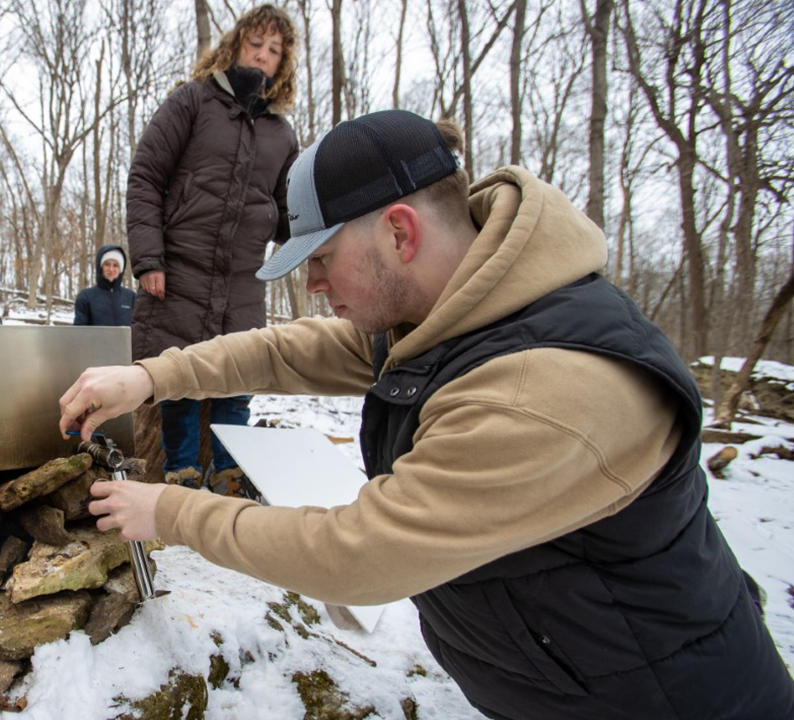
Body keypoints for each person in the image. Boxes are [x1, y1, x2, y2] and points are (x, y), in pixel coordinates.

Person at [60, 111, 794, 719]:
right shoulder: (458, 311)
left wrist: (171, 511)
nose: (312, 285)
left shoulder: (539, 391)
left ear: (401, 233)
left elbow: (359, 553)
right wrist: (151, 377)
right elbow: (296, 351)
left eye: (320, 258)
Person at [126, 3, 299, 495]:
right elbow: (146, 177)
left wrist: (322, 236)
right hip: (181, 269)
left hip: (244, 279)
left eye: (274, 50)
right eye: (255, 44)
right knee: (177, 371)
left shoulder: (281, 133)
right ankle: (180, 470)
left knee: (238, 375)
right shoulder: (193, 101)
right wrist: (149, 258)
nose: (262, 57)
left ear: (281, 64)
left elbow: (290, 211)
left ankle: (229, 471)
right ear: (235, 43)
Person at [73, 245, 135, 326]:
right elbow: (79, 331)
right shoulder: (86, 297)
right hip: (95, 339)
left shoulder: (131, 297)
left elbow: (140, 329)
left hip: (124, 339)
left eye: (115, 265)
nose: (111, 269)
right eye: (107, 264)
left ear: (121, 269)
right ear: (100, 267)